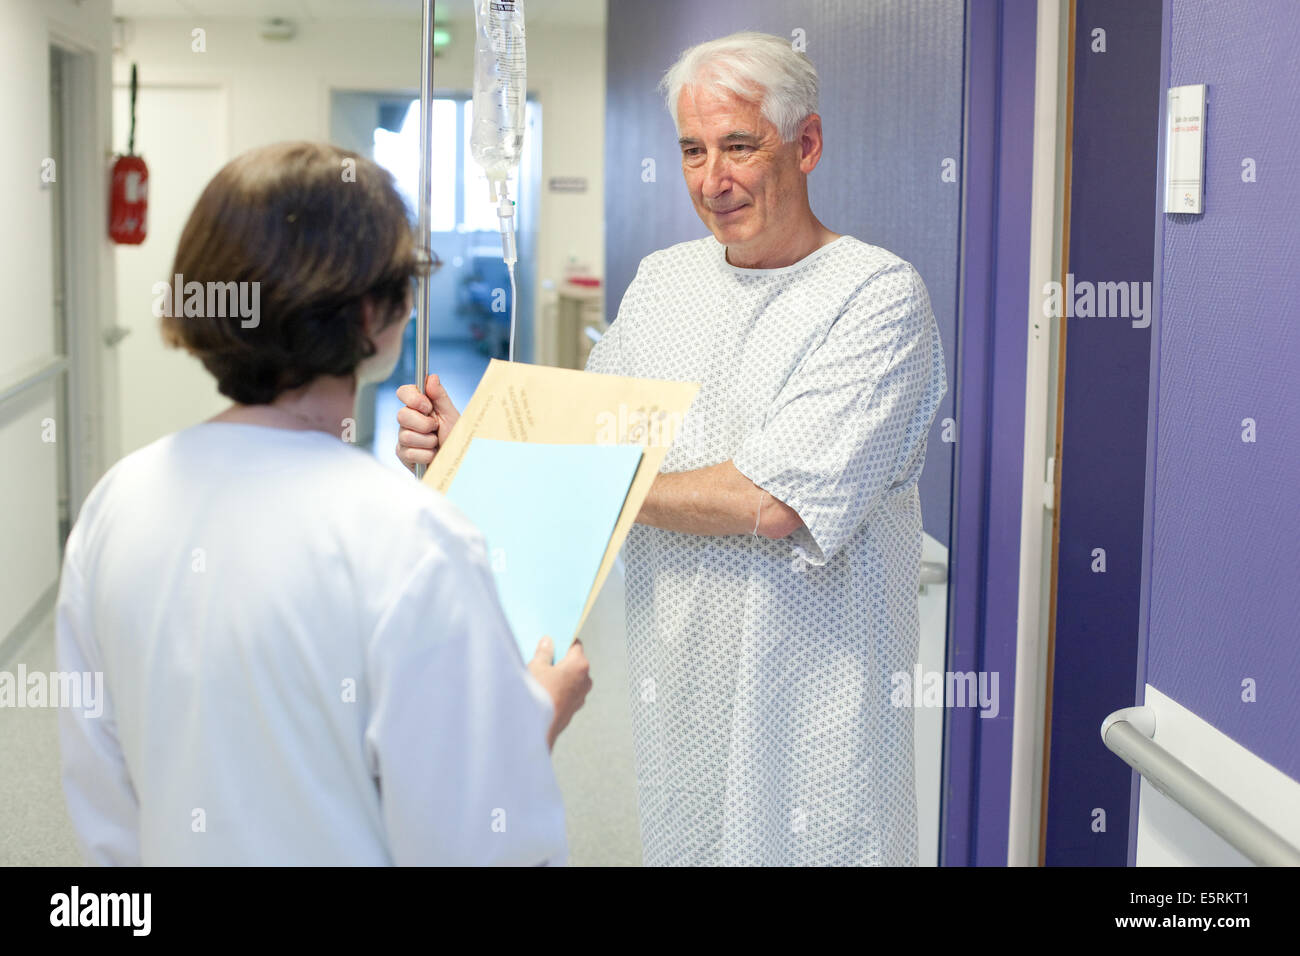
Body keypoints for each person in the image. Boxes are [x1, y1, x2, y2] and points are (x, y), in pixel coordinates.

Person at [397, 32, 947, 866]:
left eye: (738, 146)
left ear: (807, 145)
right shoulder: (662, 285)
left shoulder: (875, 298)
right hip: (681, 698)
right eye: (692, 150)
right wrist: (461, 454)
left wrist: (573, 470)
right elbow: (575, 441)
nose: (711, 180)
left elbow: (772, 503)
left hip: (816, 712)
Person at [56, 141, 591, 866]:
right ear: (376, 314)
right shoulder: (411, 538)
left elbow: (107, 806)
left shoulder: (117, 504)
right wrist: (537, 716)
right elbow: (481, 844)